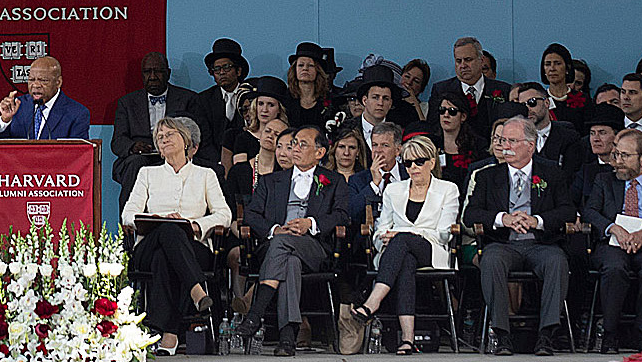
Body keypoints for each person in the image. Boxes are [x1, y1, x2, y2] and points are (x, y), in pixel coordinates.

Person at [230, 125, 353, 357]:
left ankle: (256, 312)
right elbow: (252, 215)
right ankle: (287, 339)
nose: (295, 148)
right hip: (277, 247)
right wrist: (275, 229)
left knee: (285, 248)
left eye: (302, 144)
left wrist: (311, 224)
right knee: (289, 261)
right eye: (294, 143)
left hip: (314, 248)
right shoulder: (271, 180)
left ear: (319, 153)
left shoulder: (334, 181)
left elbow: (341, 215)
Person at [343, 136, 461, 357]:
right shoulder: (393, 190)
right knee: (405, 260)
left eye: (419, 162)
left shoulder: (448, 189)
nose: (413, 168)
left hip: (432, 250)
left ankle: (372, 302)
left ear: (432, 162)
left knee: (403, 240)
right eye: (407, 163)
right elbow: (380, 229)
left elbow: (444, 233)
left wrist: (404, 234)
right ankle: (407, 339)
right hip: (396, 255)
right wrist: (386, 237)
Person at [120, 116, 230, 354]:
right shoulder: (147, 173)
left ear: (186, 140)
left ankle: (167, 333)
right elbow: (128, 214)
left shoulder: (205, 174)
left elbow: (224, 215)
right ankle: (196, 291)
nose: (164, 139)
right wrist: (157, 221)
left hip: (193, 245)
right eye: (160, 137)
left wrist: (193, 225)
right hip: (148, 245)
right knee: (168, 230)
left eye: (170, 134)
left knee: (166, 257)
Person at [465, 116, 573, 357]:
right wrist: (503, 218)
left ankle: (546, 335)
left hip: (540, 243)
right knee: (490, 261)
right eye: (503, 140)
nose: (505, 146)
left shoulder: (551, 172)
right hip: (503, 243)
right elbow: (470, 215)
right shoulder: (487, 176)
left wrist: (538, 221)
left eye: (512, 141)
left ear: (530, 145)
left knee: (557, 262)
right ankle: (502, 335)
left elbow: (567, 210)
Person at [585, 129, 642, 353]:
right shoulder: (604, 180)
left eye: (624, 156)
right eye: (616, 155)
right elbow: (589, 211)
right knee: (614, 268)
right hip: (613, 243)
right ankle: (610, 333)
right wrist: (614, 228)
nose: (617, 162)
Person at [113, 53, 182, 197]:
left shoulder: (188, 99)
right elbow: (118, 141)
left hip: (175, 155)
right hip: (140, 156)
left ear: (168, 73)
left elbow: (195, 136)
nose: (152, 77)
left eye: (158, 71)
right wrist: (132, 146)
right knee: (136, 164)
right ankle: (129, 218)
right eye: (147, 72)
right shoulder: (127, 103)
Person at [0, 56, 90, 140]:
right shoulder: (17, 106)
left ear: (58, 82)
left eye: (43, 80)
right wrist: (5, 120)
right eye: (31, 79)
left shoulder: (77, 113)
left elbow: (79, 156)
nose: (36, 85)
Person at [430, 39, 506, 128]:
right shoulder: (441, 90)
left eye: (468, 60)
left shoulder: (503, 89)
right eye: (458, 61)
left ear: (481, 60)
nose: (463, 65)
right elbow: (433, 127)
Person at [426, 91, 485, 177]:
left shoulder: (478, 144)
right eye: (442, 110)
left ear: (463, 117)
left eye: (452, 111)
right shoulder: (430, 143)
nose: (446, 115)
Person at [283, 45, 338, 134]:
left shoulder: (329, 99)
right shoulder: (285, 97)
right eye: (301, 65)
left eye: (310, 66)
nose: (305, 69)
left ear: (318, 70)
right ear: (294, 69)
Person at [537, 45, 586, 125]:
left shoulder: (583, 99)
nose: (552, 68)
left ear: (567, 68)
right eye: (548, 64)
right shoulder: (540, 100)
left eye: (557, 64)